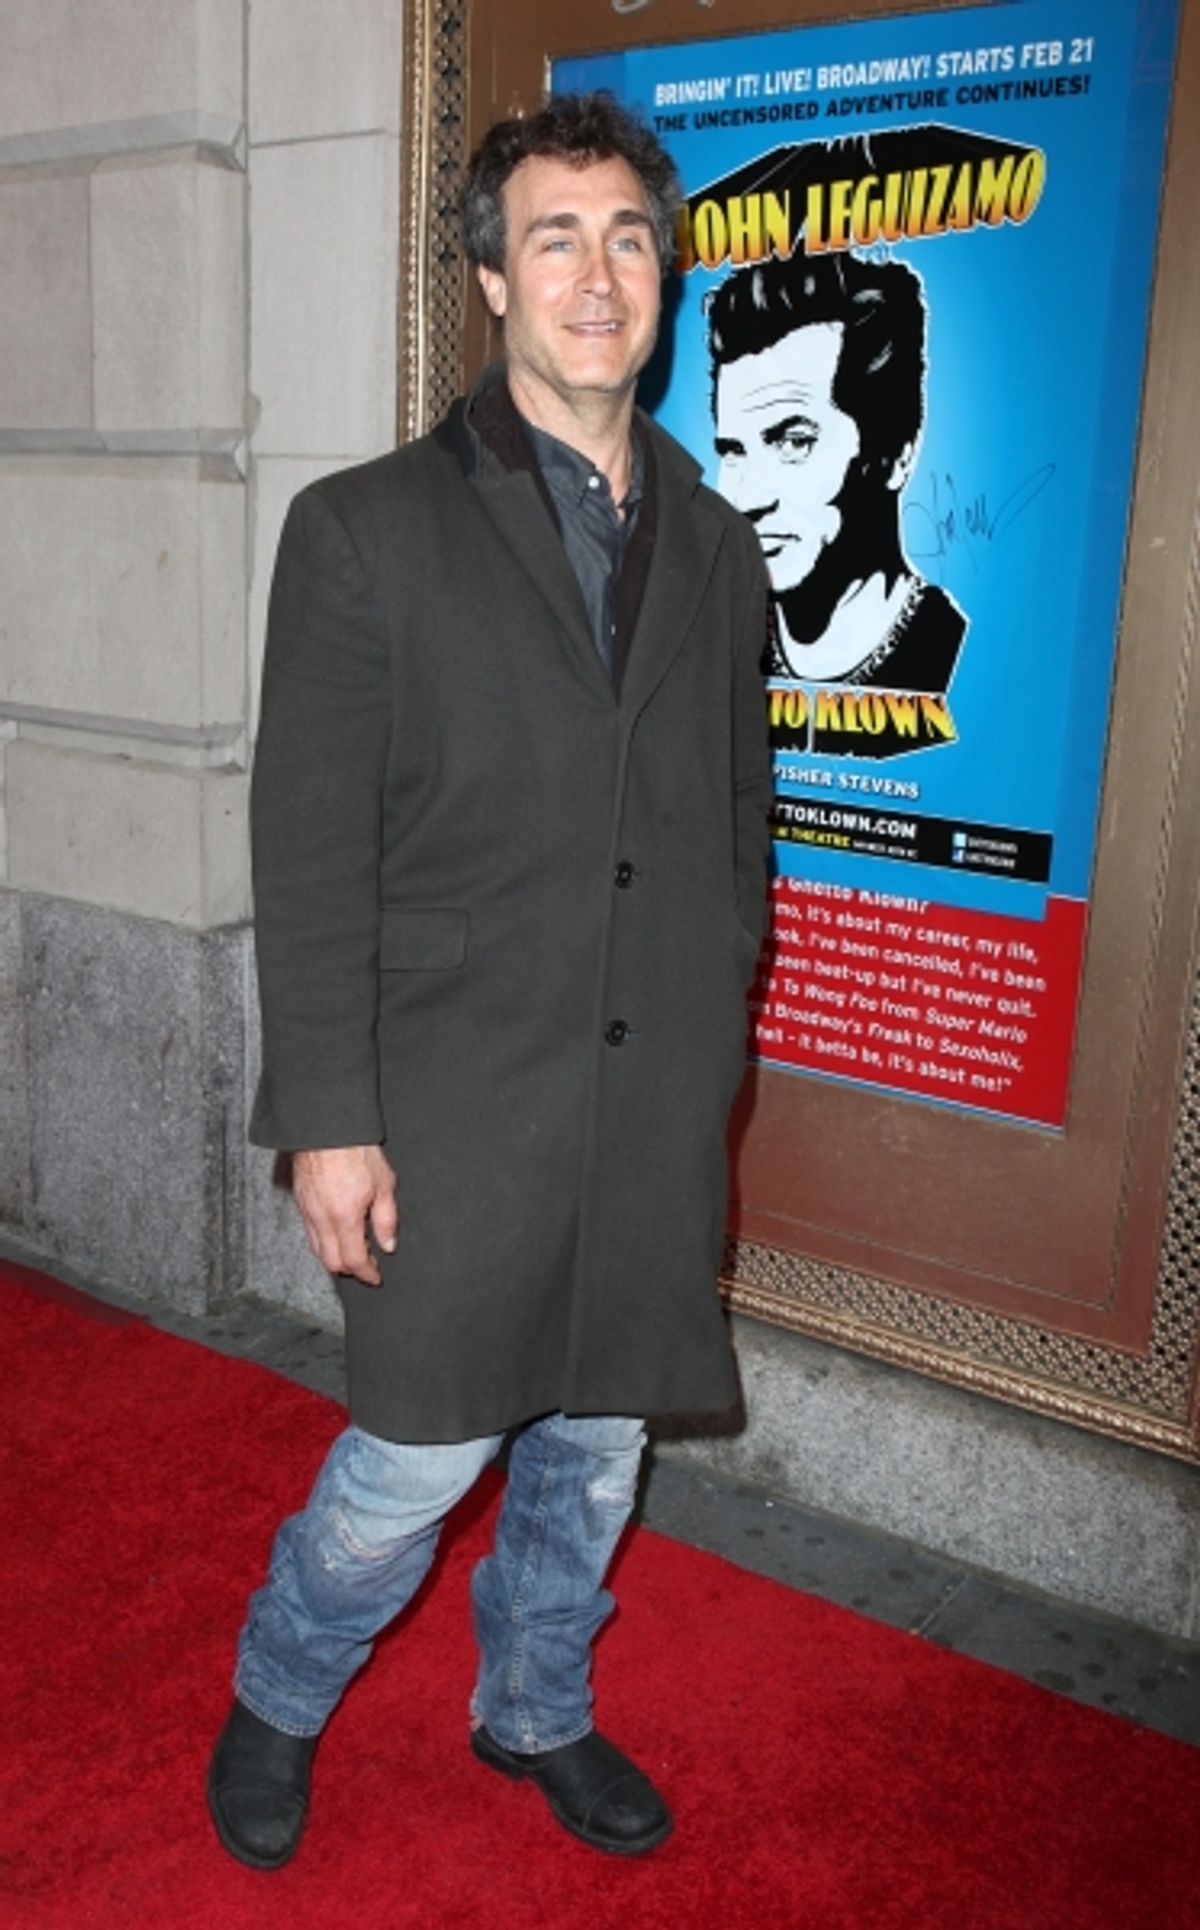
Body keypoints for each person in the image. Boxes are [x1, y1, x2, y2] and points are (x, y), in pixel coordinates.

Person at [206, 93, 771, 1871]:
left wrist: (706, 1055)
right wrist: (332, 1126)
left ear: (661, 275)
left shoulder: (720, 541)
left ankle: (537, 1709)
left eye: (625, 238)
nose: (596, 274)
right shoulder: (366, 530)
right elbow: (306, 855)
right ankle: (278, 1693)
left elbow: (733, 824)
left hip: (641, 1100)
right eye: (553, 236)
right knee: (412, 1469)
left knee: (598, 1456)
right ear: (489, 280)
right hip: (448, 1101)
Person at [708, 247, 966, 691]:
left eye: (794, 443)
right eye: (734, 451)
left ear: (896, 453)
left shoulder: (954, 657)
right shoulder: (711, 657)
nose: (748, 500)